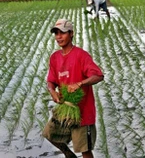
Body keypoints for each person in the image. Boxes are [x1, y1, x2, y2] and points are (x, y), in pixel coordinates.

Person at [42, 18, 104, 158]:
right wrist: (52, 91)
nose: (58, 37)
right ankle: (69, 155)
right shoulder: (55, 58)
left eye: (62, 33)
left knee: (85, 149)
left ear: (71, 33)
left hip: (83, 112)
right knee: (50, 134)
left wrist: (80, 83)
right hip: (65, 108)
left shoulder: (81, 55)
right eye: (56, 33)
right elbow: (51, 81)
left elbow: (98, 75)